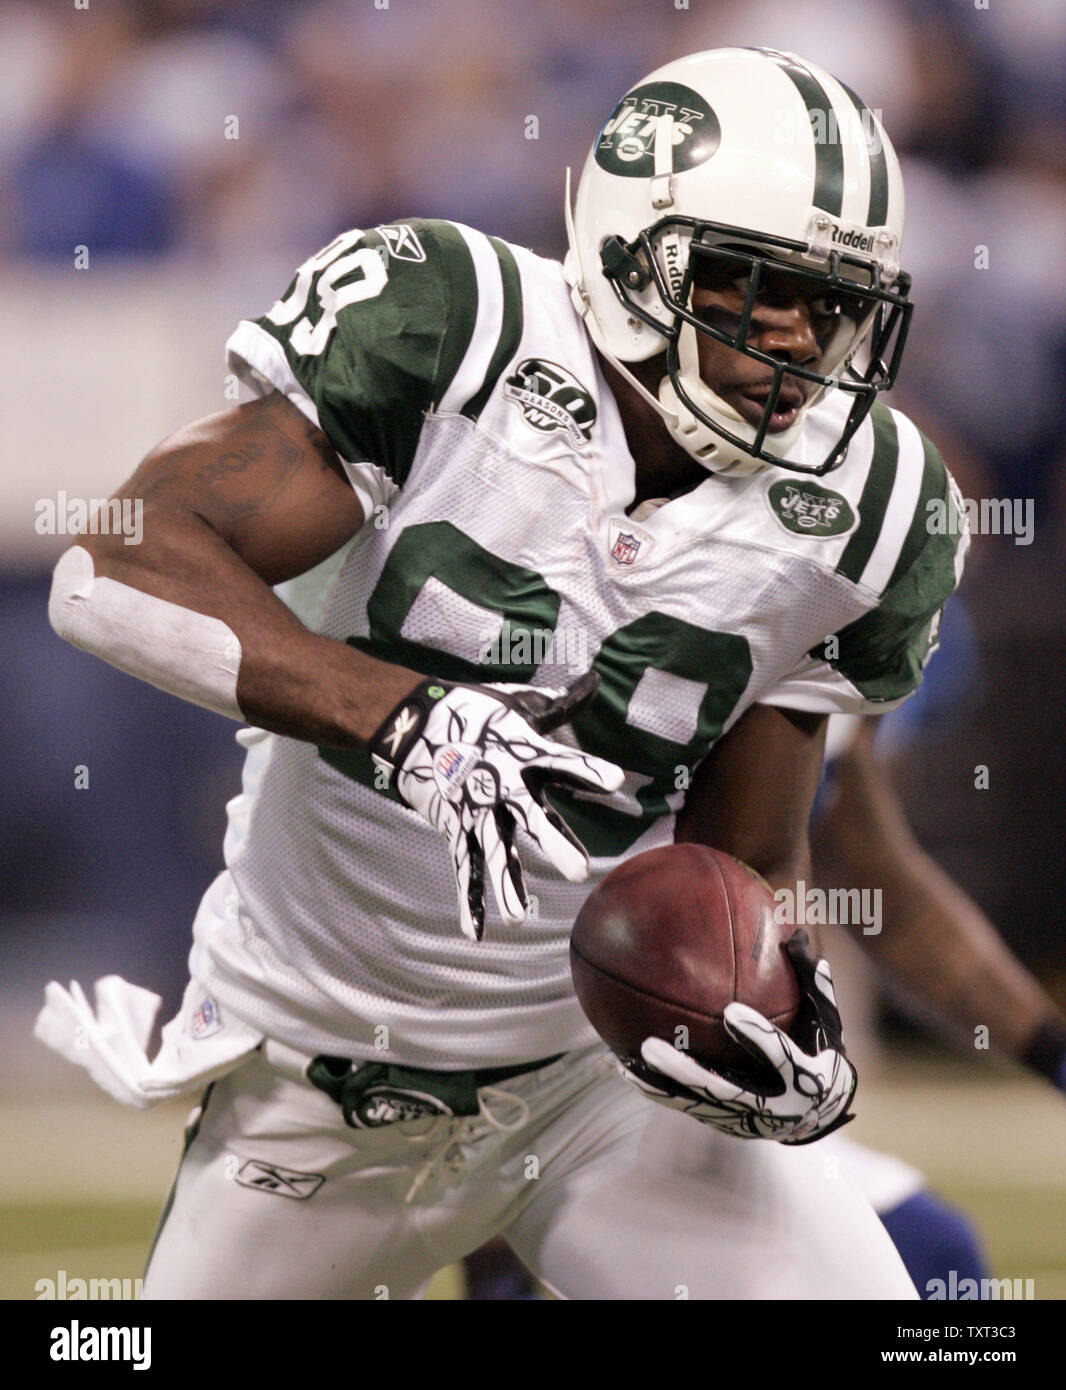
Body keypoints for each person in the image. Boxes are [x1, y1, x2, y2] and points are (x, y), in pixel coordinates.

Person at [39, 47, 964, 1299]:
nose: (799, 337)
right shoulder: (453, 326)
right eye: (754, 283)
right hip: (320, 1082)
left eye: (833, 301)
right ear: (638, 255)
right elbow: (113, 563)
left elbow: (742, 856)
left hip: (598, 1079)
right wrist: (402, 718)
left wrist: (774, 1003)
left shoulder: (869, 501)